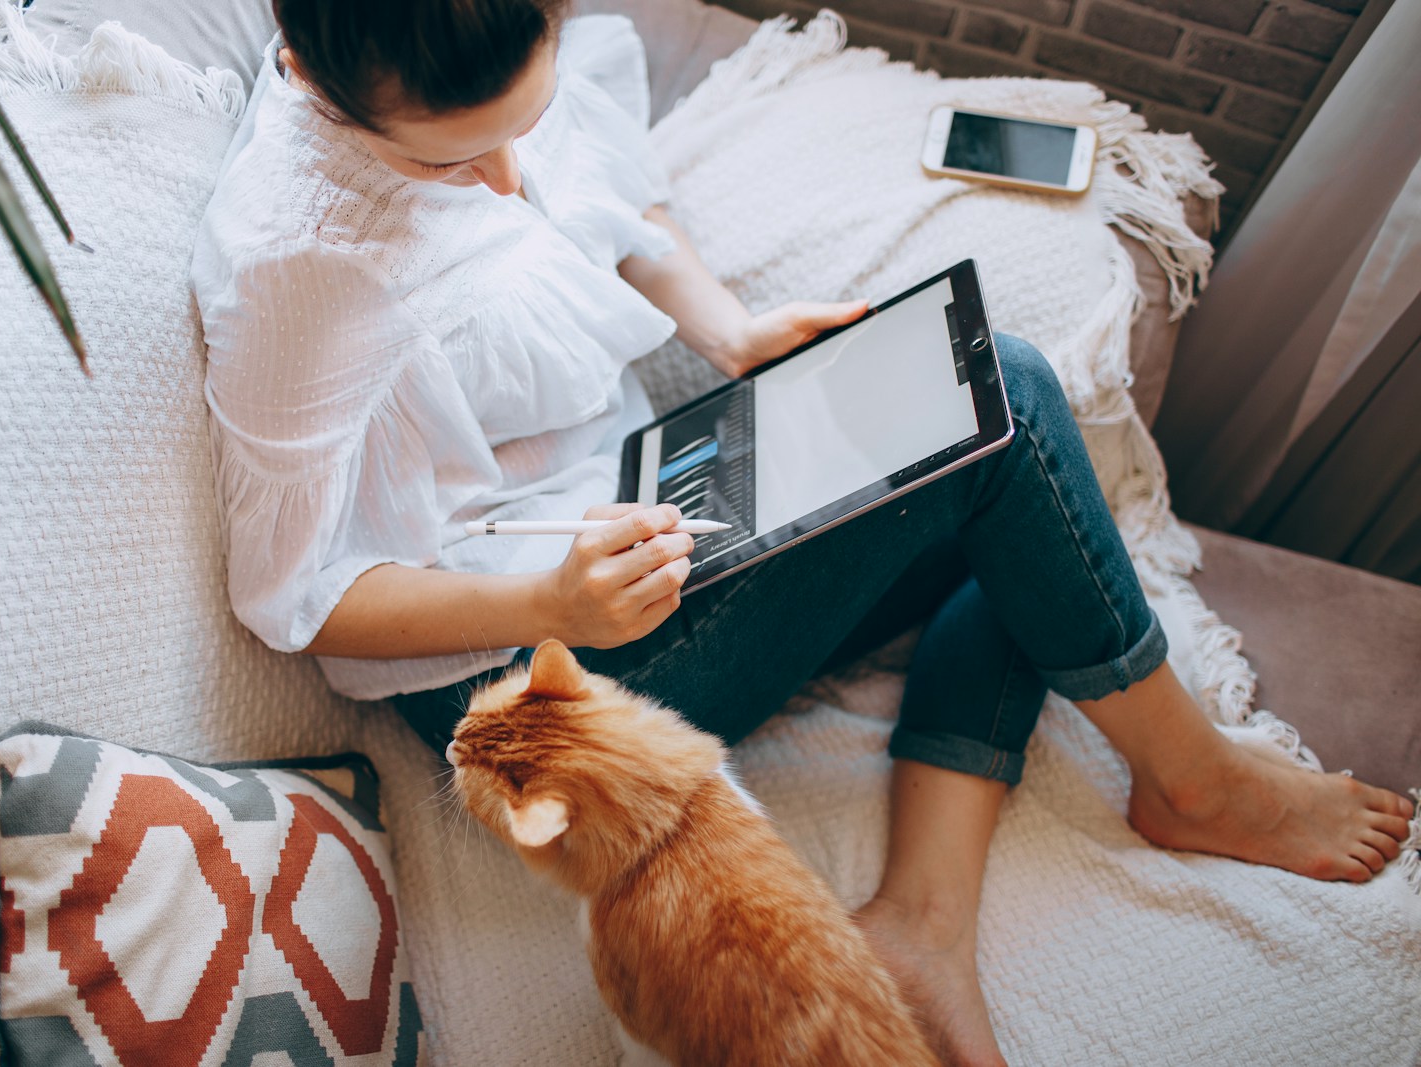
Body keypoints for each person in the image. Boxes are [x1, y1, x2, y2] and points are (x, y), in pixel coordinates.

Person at [190, 2, 1415, 1062]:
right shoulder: (299, 263)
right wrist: (546, 607)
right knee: (1015, 404)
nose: (514, 179)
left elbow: (617, 210)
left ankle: (922, 920)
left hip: (641, 513)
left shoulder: (470, 55)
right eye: (458, 166)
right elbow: (292, 593)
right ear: (322, 82)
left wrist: (728, 332)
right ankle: (1190, 774)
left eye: (526, 122)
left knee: (1015, 482)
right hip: (528, 676)